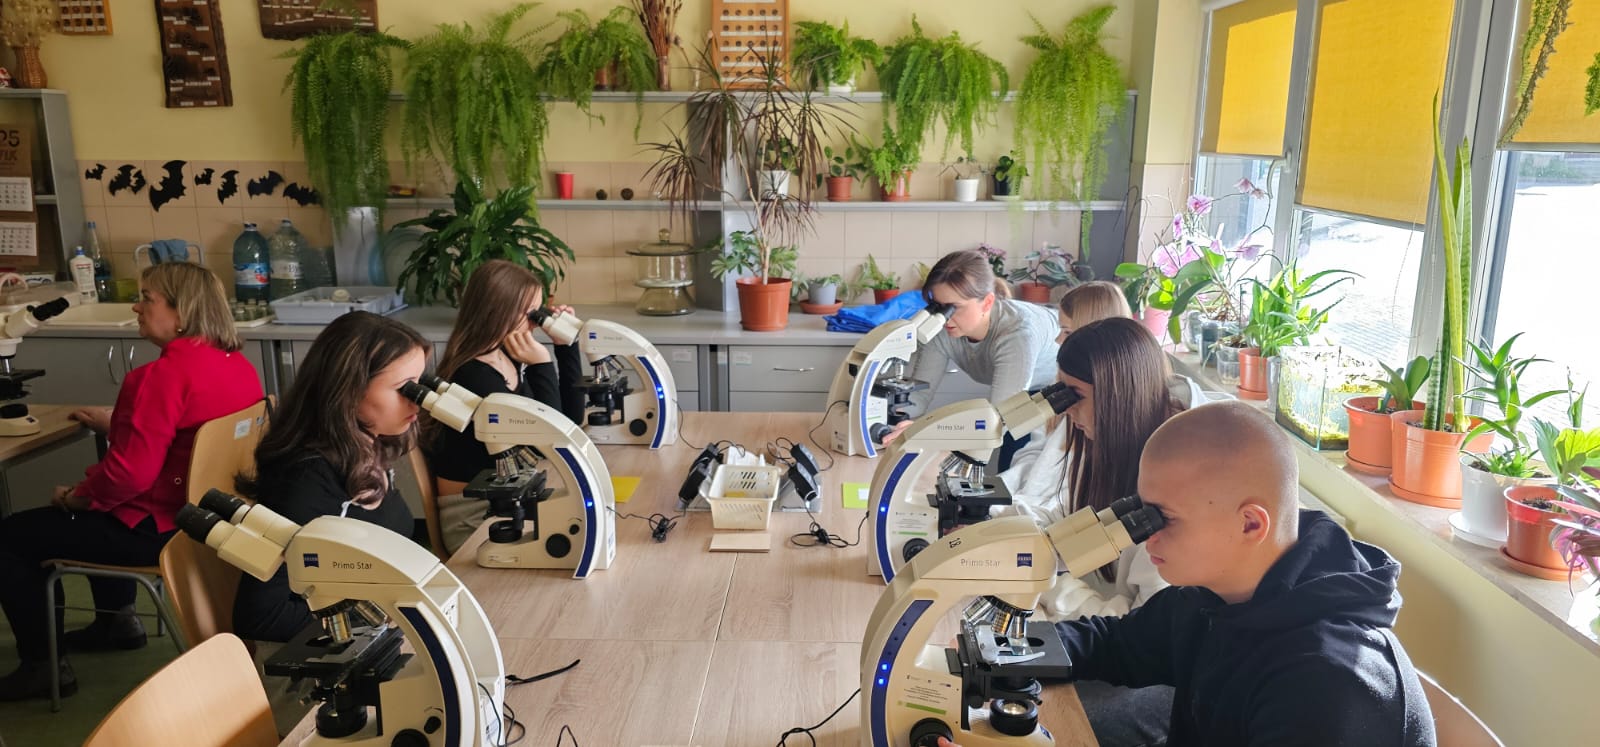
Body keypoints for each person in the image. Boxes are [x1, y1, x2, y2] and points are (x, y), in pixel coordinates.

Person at [1047, 402, 1435, 746]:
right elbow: (1113, 644)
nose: (1147, 536)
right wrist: (1013, 650)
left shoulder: (1326, 682)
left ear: (1250, 524)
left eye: (1162, 517)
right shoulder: (1214, 596)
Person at [0, 263, 263, 701]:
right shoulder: (236, 365)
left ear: (181, 312)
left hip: (158, 531)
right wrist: (120, 424)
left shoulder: (158, 377)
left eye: (147, 299)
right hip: (210, 521)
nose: (137, 308)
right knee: (105, 506)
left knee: (12, 537)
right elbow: (188, 440)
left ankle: (43, 667)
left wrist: (76, 498)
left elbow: (128, 476)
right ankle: (116, 622)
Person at [996, 317, 1201, 747]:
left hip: (1169, 676)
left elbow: (1142, 632)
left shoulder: (1179, 485)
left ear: (1117, 395)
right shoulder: (1114, 443)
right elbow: (1073, 522)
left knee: (1031, 712)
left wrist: (1047, 579)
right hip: (1112, 637)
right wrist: (1011, 532)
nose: (1065, 409)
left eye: (1075, 395)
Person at [231, 311, 428, 644]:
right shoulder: (306, 483)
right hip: (325, 657)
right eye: (402, 388)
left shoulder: (368, 446)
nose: (417, 402)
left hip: (376, 633)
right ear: (349, 391)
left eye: (418, 383)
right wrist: (379, 614)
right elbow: (261, 617)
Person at [427, 259, 584, 555]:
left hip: (513, 497)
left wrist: (566, 345)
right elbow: (547, 442)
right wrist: (542, 364)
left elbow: (571, 421)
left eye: (540, 310)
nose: (537, 321)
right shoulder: (471, 377)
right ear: (497, 312)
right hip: (475, 518)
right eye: (530, 312)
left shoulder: (504, 356)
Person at [880, 248, 1059, 445]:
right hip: (1014, 395)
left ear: (987, 302)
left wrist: (924, 430)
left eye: (953, 308)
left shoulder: (1017, 334)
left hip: (1056, 391)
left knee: (1013, 452)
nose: (944, 317)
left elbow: (1000, 420)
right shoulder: (941, 326)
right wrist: (883, 416)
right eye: (938, 306)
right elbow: (918, 397)